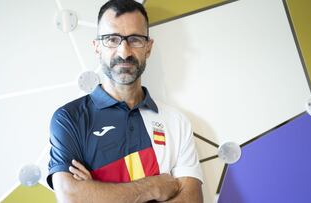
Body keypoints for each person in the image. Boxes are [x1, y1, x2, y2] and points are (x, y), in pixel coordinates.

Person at [47, 0, 204, 202]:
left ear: (148, 47)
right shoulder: (69, 119)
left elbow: (192, 200)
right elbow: (72, 197)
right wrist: (154, 186)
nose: (124, 52)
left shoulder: (177, 122)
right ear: (96, 47)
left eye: (135, 39)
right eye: (112, 39)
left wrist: (96, 191)